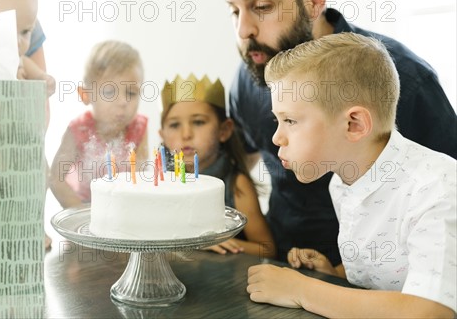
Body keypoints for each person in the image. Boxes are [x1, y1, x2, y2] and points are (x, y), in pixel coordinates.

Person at [222, 0, 457, 265]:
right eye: (234, 11)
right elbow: (237, 164)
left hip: (384, 285)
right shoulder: (249, 78)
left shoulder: (405, 79)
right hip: (281, 263)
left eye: (262, 6)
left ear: (315, 0)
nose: (244, 29)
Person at [246, 32, 456, 318]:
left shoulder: (437, 186)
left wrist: (303, 290)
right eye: (277, 120)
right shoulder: (341, 181)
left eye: (291, 120)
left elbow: (431, 311)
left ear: (354, 124)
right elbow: (389, 274)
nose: (277, 138)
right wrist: (334, 273)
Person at [159, 74, 275, 257]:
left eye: (198, 122)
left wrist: (217, 241)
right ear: (162, 135)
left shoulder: (237, 186)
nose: (186, 134)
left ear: (224, 130)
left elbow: (267, 250)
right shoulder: (159, 184)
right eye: (174, 125)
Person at [49, 40, 148, 208]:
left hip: (125, 212)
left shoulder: (138, 128)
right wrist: (80, 213)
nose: (123, 102)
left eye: (131, 93)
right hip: (85, 213)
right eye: (109, 92)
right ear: (86, 95)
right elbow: (55, 179)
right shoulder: (78, 130)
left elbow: (139, 179)